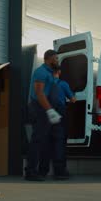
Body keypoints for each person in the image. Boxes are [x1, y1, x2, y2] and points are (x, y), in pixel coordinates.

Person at [25, 50, 63, 181]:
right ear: (48, 58)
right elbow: (39, 93)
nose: (57, 61)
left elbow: (53, 91)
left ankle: (42, 171)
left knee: (45, 140)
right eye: (55, 58)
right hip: (39, 107)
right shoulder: (40, 72)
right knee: (37, 140)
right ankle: (30, 172)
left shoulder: (51, 74)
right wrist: (49, 110)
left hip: (46, 107)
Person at [39, 65, 76, 179]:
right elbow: (73, 100)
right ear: (59, 72)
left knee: (46, 142)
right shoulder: (63, 84)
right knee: (59, 142)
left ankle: (42, 171)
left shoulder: (44, 84)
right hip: (60, 114)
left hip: (46, 112)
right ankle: (59, 172)